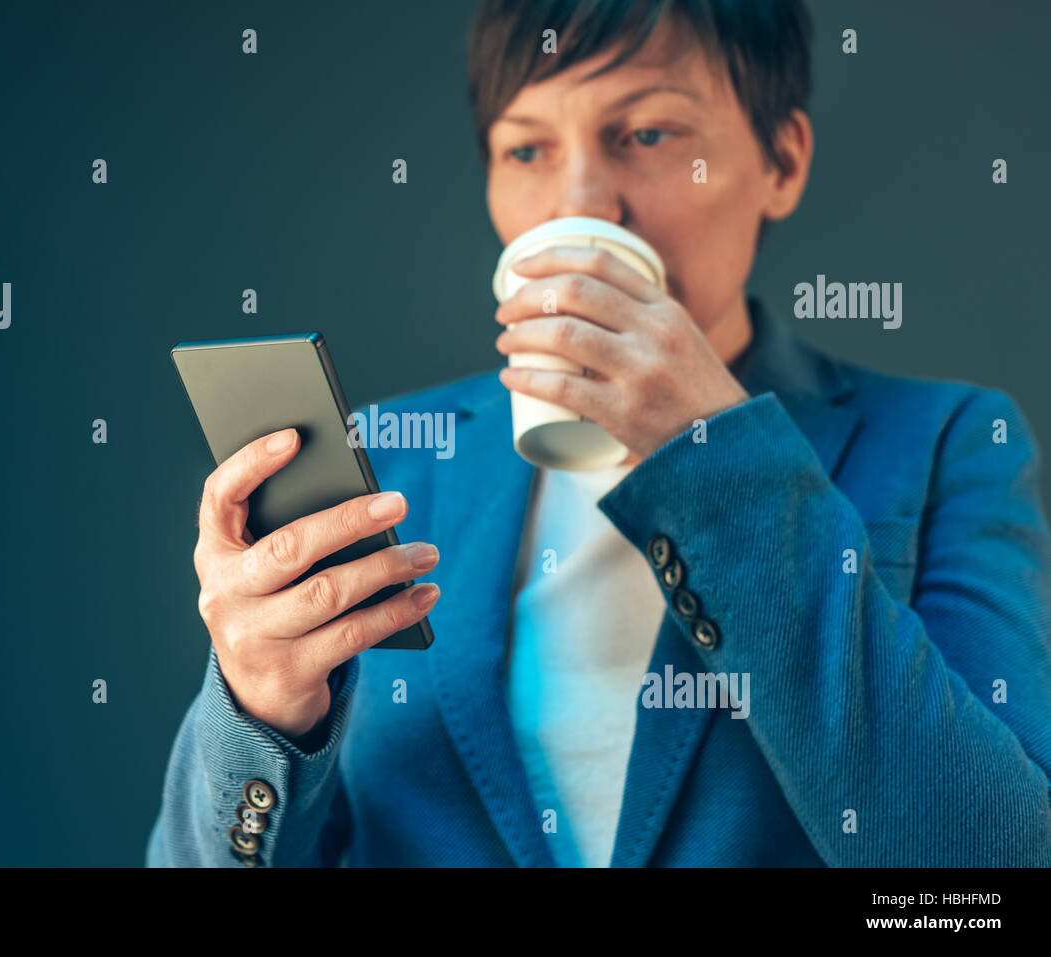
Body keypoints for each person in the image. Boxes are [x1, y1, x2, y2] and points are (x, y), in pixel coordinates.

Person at [146, 0, 1051, 867]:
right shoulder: (391, 458)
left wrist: (720, 459)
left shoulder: (945, 444)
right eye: (527, 148)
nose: (579, 204)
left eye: (648, 133)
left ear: (782, 158)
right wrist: (257, 709)